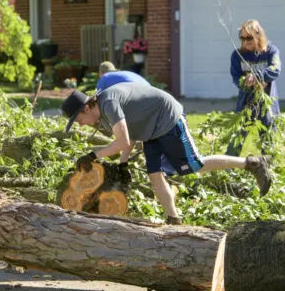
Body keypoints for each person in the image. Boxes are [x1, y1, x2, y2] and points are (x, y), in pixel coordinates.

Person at [61, 83, 272, 225]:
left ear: (86, 109)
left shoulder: (108, 104)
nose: (80, 125)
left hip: (168, 119)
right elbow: (131, 136)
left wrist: (93, 156)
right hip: (150, 130)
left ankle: (252, 163)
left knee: (195, 164)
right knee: (155, 175)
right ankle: (174, 221)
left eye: (78, 120)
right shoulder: (102, 115)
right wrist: (123, 164)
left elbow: (123, 140)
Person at [227, 19, 281, 156]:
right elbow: (235, 78)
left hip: (267, 105)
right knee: (235, 142)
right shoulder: (237, 55)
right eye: (242, 38)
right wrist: (245, 81)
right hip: (246, 104)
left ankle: (268, 174)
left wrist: (258, 76)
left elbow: (275, 69)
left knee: (268, 143)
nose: (245, 42)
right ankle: (226, 171)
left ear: (258, 35)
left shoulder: (270, 51)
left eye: (249, 37)